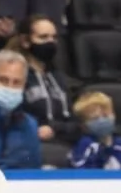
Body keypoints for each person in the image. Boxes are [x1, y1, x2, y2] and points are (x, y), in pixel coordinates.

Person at [10, 14, 78, 144]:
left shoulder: (59, 78)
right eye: (43, 37)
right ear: (25, 41)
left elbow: (75, 122)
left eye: (54, 37)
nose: (50, 42)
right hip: (30, 143)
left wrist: (55, 128)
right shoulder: (16, 76)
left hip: (63, 143)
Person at [68, 90, 121, 169]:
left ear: (114, 115)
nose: (101, 120)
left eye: (105, 115)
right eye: (95, 118)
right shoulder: (84, 148)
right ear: (83, 125)